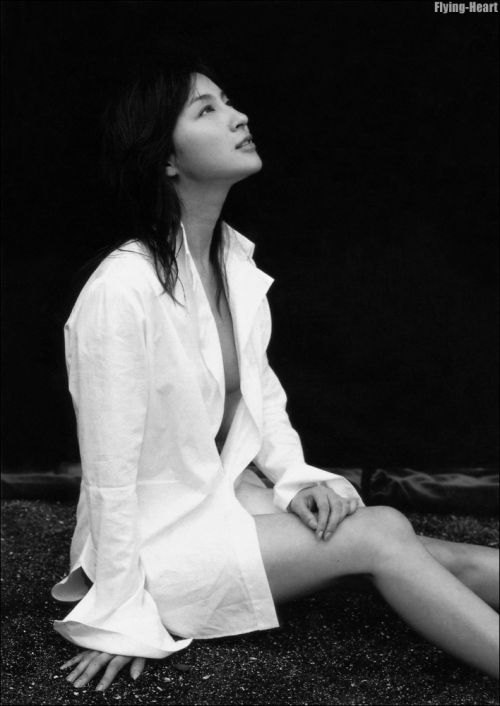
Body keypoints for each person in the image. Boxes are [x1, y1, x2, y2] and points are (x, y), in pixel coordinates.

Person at [52, 47, 499, 692]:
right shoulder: (122, 289)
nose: (237, 117)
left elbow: (259, 392)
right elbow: (109, 475)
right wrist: (120, 614)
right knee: (379, 533)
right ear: (167, 158)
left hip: (218, 502)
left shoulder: (231, 261)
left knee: (424, 552)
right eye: (207, 110)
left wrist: (292, 480)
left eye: (228, 101)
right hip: (152, 554)